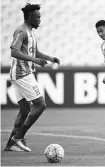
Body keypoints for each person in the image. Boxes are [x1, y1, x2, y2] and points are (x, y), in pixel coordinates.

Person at [4, 3, 60, 152]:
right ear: (30, 17)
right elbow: (14, 52)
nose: (40, 20)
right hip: (22, 73)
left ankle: (10, 144)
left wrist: (51, 58)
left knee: (24, 110)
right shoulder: (21, 31)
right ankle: (18, 137)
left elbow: (34, 51)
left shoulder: (30, 32)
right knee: (40, 105)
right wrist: (34, 60)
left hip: (21, 74)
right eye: (38, 17)